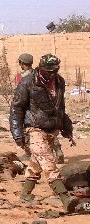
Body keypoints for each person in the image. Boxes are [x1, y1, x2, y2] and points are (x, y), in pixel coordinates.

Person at [10, 53, 76, 210]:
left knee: (35, 164)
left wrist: (66, 126)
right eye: (49, 71)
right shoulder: (27, 83)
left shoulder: (59, 82)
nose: (52, 74)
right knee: (48, 163)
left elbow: (60, 107)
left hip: (52, 129)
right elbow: (16, 109)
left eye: (55, 70)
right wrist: (17, 134)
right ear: (41, 68)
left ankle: (25, 195)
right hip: (34, 128)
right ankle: (65, 199)